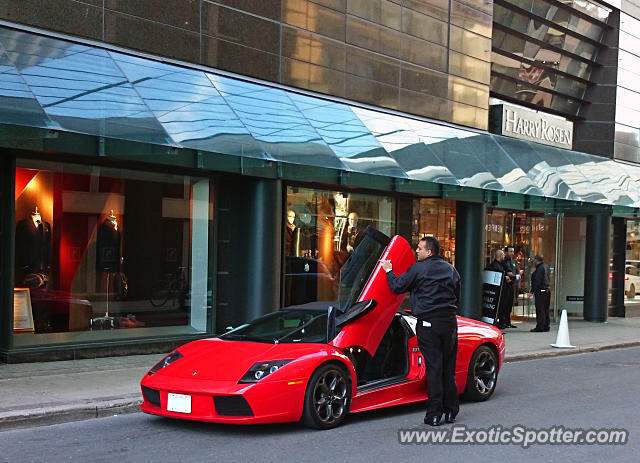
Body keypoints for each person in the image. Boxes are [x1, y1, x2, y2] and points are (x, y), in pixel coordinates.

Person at [381, 236, 460, 427]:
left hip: (428, 323)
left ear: (429, 252)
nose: (416, 251)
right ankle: (451, 411)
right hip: (450, 323)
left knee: (434, 368)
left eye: (419, 248)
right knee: (448, 369)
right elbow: (457, 294)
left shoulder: (418, 269)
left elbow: (397, 286)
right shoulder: (451, 269)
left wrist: (388, 270)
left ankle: (434, 414)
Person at [487, 249, 508, 329]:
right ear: (500, 256)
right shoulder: (496, 266)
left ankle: (501, 323)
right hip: (498, 292)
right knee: (499, 308)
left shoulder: (499, 265)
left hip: (500, 291)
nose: (504, 256)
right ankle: (498, 323)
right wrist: (504, 277)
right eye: (503, 255)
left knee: (502, 307)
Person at [529, 254, 550, 332]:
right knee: (545, 309)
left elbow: (537, 281)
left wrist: (532, 291)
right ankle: (546, 325)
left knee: (540, 309)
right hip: (547, 290)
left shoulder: (539, 269)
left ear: (536, 260)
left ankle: (540, 326)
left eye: (534, 259)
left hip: (541, 291)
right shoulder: (546, 267)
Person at [501, 246, 518, 329]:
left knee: (510, 304)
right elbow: (509, 273)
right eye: (510, 251)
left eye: (513, 251)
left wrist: (516, 276)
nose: (512, 253)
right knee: (505, 304)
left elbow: (516, 272)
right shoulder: (504, 262)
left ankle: (508, 322)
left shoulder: (513, 262)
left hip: (512, 286)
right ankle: (503, 322)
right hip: (505, 287)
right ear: (506, 252)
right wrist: (516, 276)